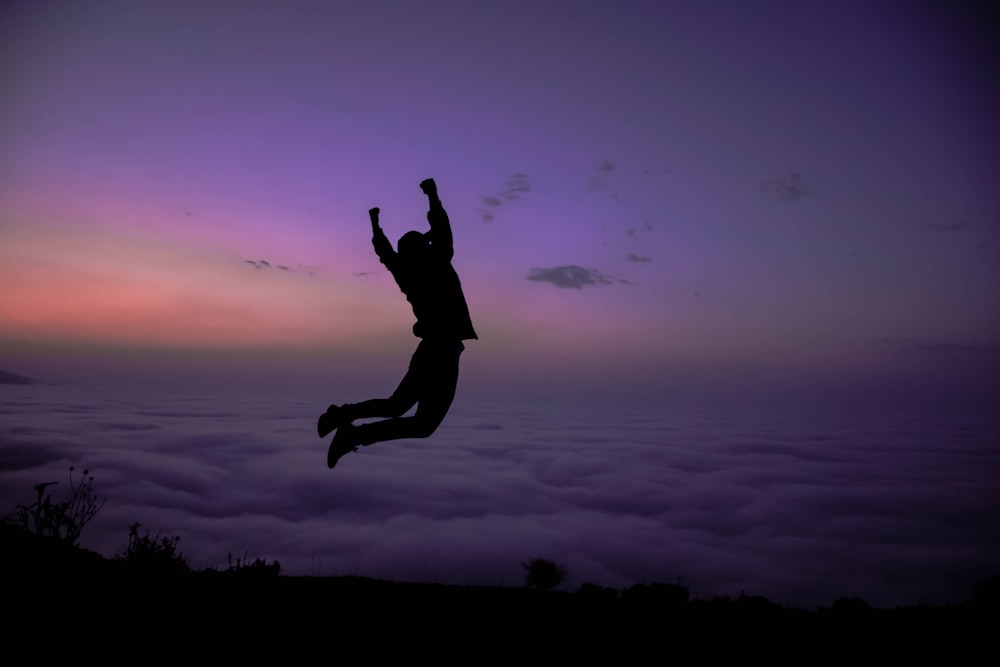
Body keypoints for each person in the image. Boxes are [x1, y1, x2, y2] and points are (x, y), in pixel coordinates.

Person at [318, 178, 478, 468]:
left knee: (396, 407)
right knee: (423, 424)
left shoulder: (407, 274)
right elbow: (442, 230)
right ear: (421, 249)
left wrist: (375, 224)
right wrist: (432, 195)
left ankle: (341, 418)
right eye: (425, 243)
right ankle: (348, 432)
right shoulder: (437, 263)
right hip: (440, 352)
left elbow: (386, 254)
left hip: (431, 351)